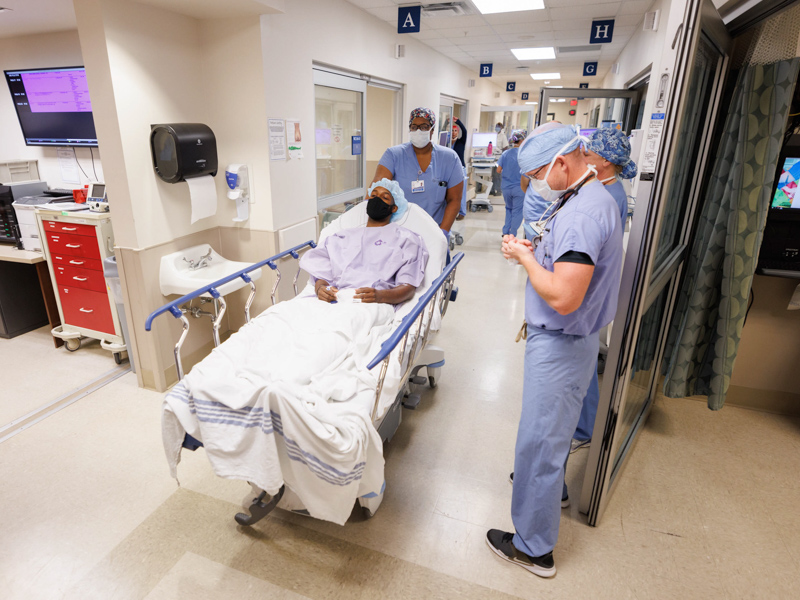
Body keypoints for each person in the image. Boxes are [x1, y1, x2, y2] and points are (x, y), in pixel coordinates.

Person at [487, 123, 623, 578]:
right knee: (550, 434)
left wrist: (525, 259)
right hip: (567, 339)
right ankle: (554, 497)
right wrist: (533, 248)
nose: (536, 186)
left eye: (539, 176)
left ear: (563, 163)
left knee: (539, 442)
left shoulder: (585, 212)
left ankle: (533, 548)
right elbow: (565, 260)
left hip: (562, 342)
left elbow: (565, 296)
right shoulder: (584, 197)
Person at [303, 178, 428, 306]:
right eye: (373, 196)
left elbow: (408, 287)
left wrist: (380, 296)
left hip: (373, 304)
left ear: (394, 208)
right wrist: (321, 288)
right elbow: (321, 274)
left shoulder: (405, 238)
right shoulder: (343, 236)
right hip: (336, 298)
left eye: (384, 198)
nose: (376, 199)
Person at [372, 108, 463, 238]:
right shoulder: (393, 155)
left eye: (424, 126)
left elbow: (454, 200)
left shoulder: (449, 158)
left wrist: (441, 233)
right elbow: (376, 192)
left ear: (432, 129)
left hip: (434, 232)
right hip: (398, 234)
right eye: (414, 127)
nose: (419, 131)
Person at [496, 130, 526, 237]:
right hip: (520, 188)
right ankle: (512, 234)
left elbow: (498, 170)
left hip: (506, 188)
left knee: (508, 209)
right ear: (522, 140)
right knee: (517, 211)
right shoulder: (524, 155)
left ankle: (505, 232)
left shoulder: (505, 154)